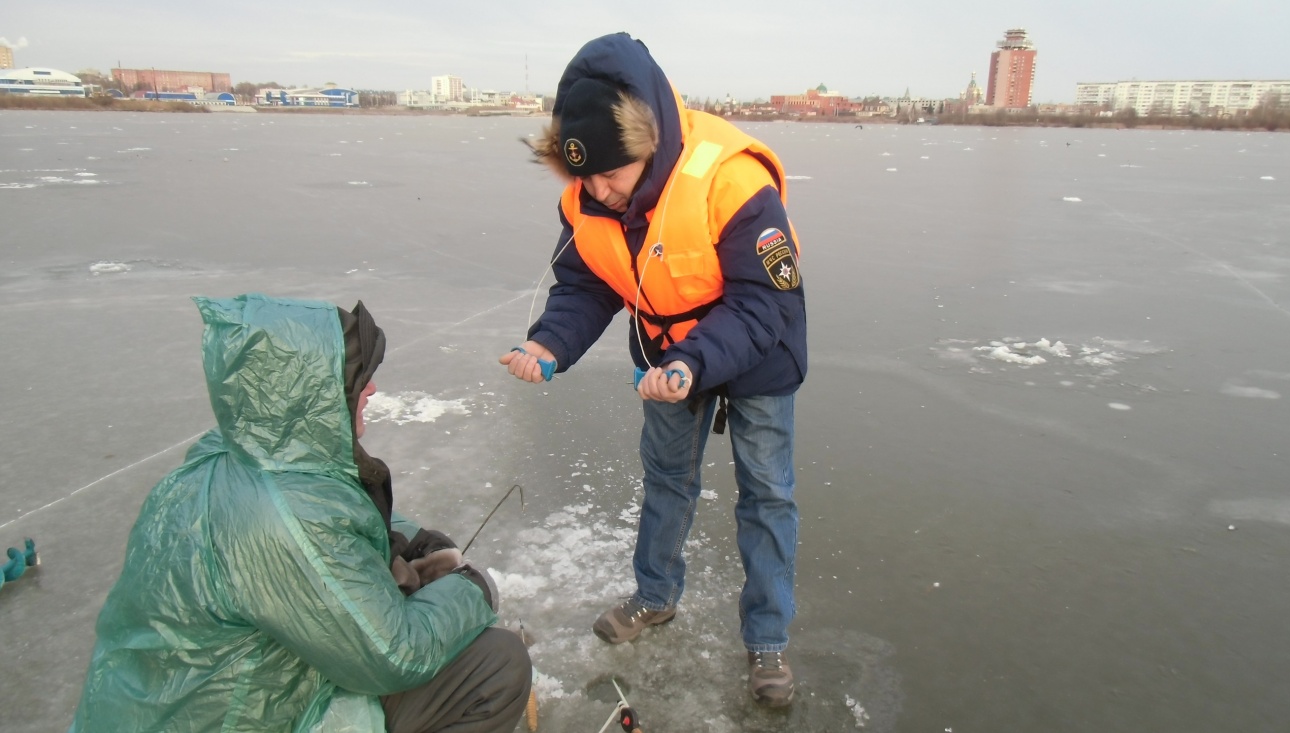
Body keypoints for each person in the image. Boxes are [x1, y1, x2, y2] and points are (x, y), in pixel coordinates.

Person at [500, 33, 806, 707]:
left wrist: (693, 362)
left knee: (766, 496)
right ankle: (655, 596)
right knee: (667, 479)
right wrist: (549, 343)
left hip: (756, 350)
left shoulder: (733, 179)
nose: (599, 192)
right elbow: (586, 283)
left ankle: (767, 642)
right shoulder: (589, 196)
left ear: (647, 145)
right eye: (586, 177)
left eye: (611, 175)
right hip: (667, 358)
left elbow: (764, 303)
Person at [72, 293, 531, 733]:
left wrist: (408, 538)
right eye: (356, 380)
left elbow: (330, 517)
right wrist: (471, 589)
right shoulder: (280, 518)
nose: (371, 388)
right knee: (498, 662)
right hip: (236, 717)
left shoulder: (241, 453)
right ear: (309, 395)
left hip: (168, 704)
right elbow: (396, 656)